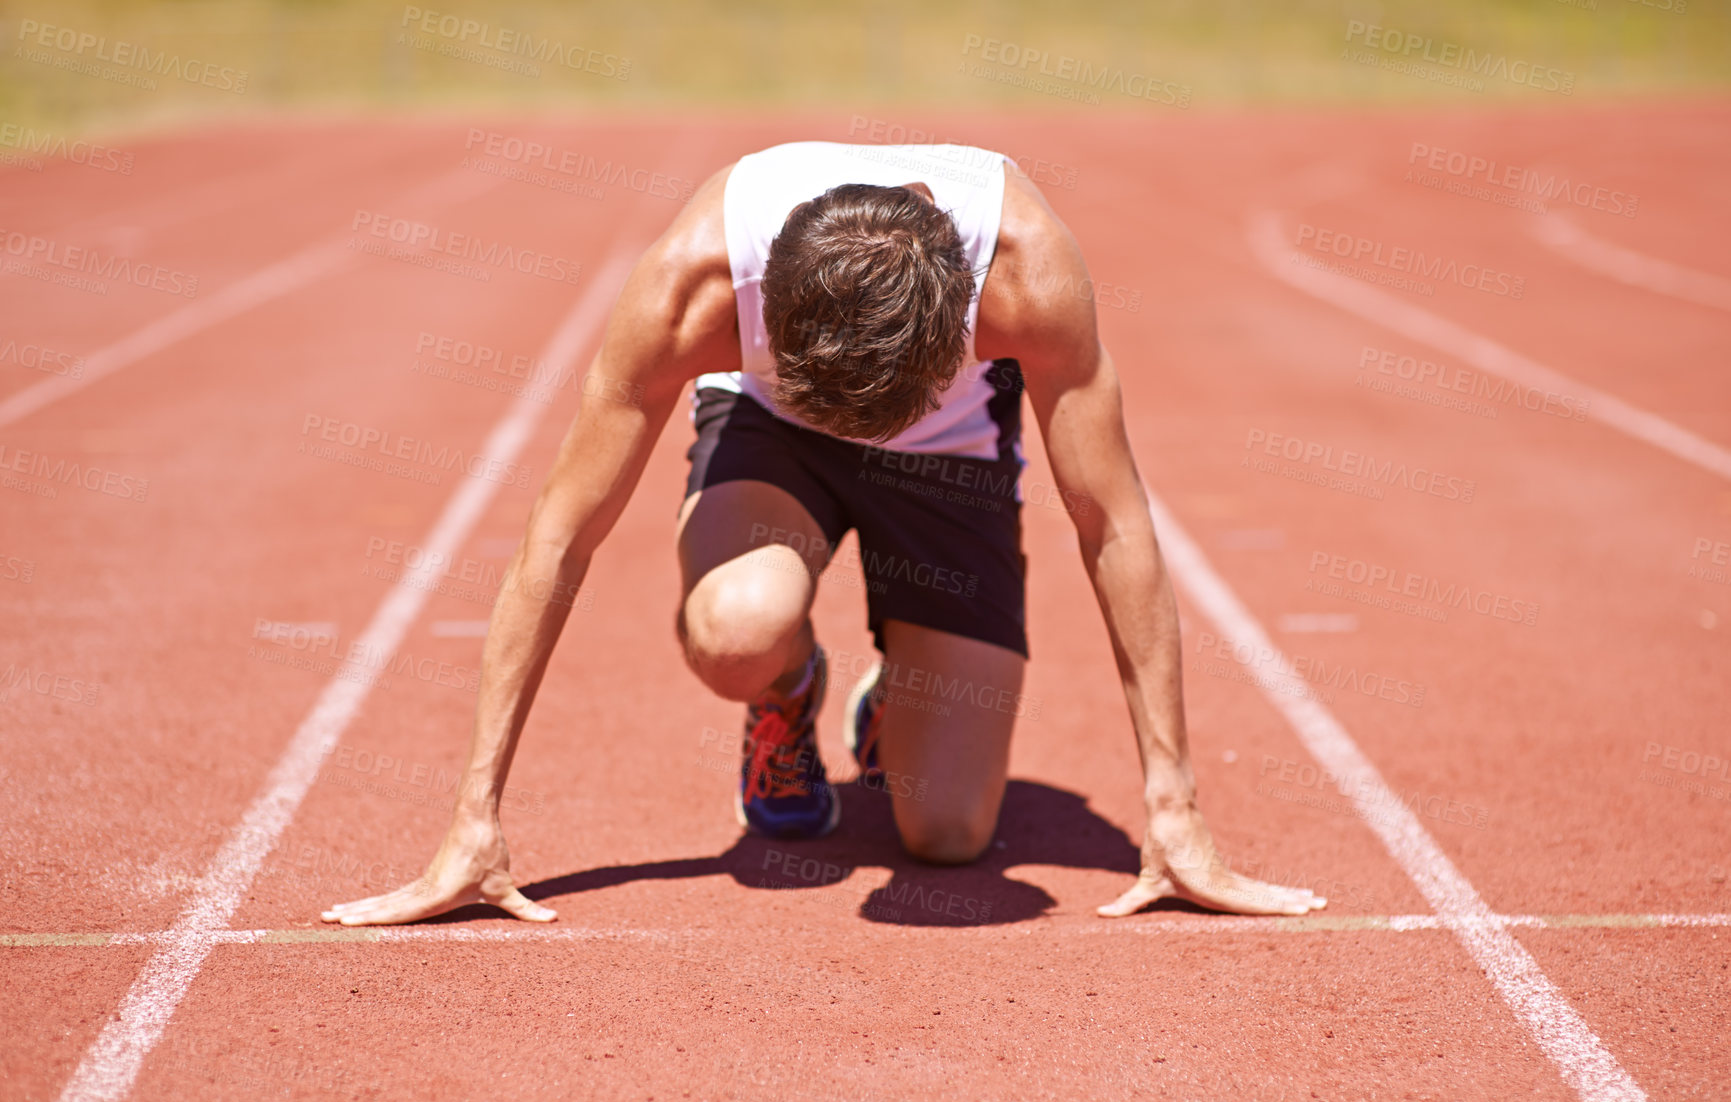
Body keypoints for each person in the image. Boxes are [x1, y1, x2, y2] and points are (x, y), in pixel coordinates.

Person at [321, 141, 1327, 927]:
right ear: (766, 318)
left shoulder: (1028, 273)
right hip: (775, 432)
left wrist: (1176, 817)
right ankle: (784, 694)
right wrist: (473, 823)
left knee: (946, 833)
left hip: (953, 453)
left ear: (962, 324)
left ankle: (898, 697)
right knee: (736, 630)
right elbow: (558, 540)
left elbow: (1111, 522)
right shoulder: (692, 291)